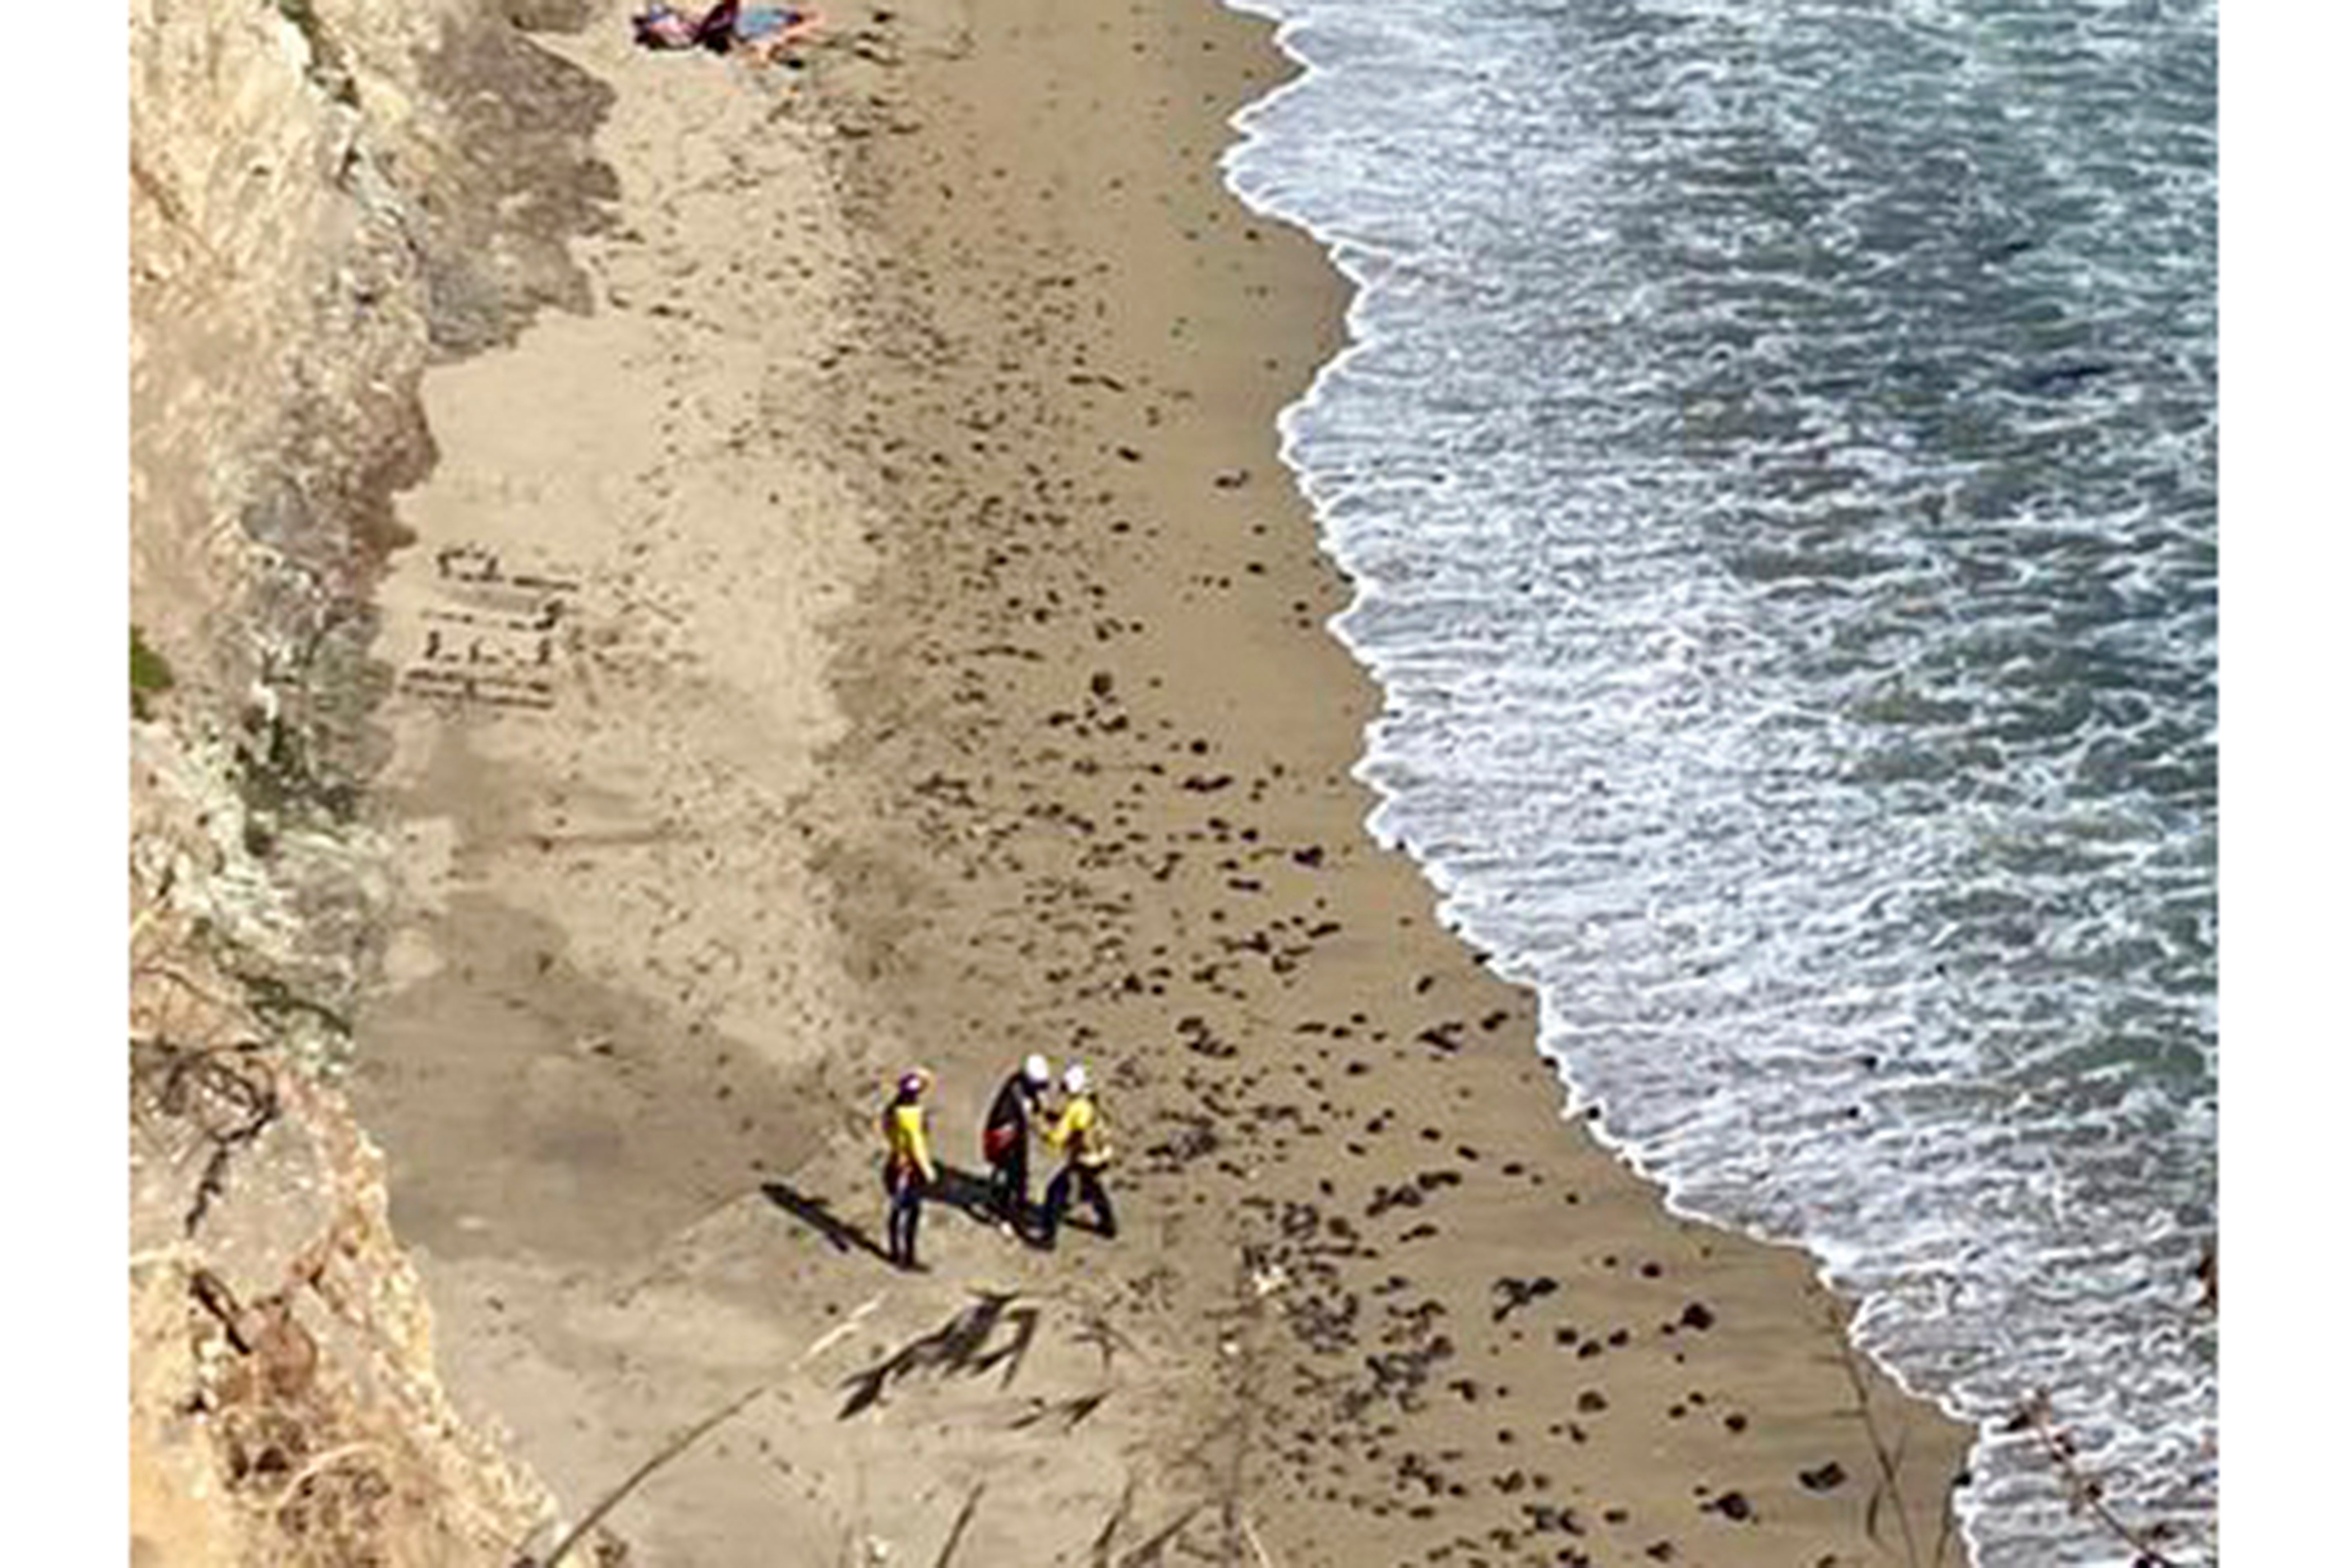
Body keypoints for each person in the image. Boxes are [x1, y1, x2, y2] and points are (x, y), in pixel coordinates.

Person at [1037, 1063, 1116, 1249]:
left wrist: (1042, 1129)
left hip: (1084, 1160)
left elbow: (1057, 1138)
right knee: (1094, 1190)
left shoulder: (1074, 1109)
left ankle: (1048, 1238)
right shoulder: (1091, 1102)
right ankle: (1109, 1225)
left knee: (1055, 1193)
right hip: (1102, 1155)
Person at [982, 1054, 1053, 1233]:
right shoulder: (1014, 1096)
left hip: (1017, 1135)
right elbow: (1027, 1118)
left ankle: (1020, 1203)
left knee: (1021, 1173)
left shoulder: (1021, 1084)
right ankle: (1002, 1215)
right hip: (1005, 1138)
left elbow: (1038, 1105)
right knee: (1008, 1178)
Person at [879, 1069, 938, 1270]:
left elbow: (886, 1128)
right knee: (912, 1211)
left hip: (895, 1161)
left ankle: (895, 1251)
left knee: (897, 1210)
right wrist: (928, 1171)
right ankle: (908, 1256)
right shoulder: (912, 1116)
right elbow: (917, 1145)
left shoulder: (892, 1110)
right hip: (909, 1169)